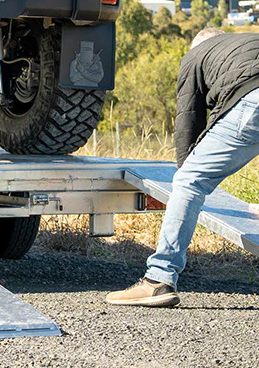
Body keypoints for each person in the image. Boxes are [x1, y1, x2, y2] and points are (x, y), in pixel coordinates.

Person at [106, 29, 259, 307]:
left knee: (190, 181)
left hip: (252, 97)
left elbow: (189, 119)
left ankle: (158, 278)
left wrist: (184, 170)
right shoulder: (243, 42)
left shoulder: (195, 55)